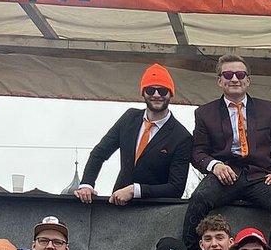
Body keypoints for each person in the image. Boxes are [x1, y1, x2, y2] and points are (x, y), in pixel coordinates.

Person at [182, 54, 271, 250]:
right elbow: (197, 151)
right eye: (228, 74)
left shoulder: (269, 109)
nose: (234, 79)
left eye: (240, 74)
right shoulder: (204, 113)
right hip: (225, 175)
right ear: (219, 81)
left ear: (248, 80)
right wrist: (215, 165)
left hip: (260, 175)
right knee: (198, 200)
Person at [75, 62, 193, 206]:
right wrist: (86, 184)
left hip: (157, 211)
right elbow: (100, 152)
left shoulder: (182, 137)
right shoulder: (129, 118)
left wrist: (135, 190)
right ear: (143, 92)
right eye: (150, 90)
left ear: (171, 93)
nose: (156, 95)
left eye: (162, 91)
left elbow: (176, 188)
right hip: (118, 207)